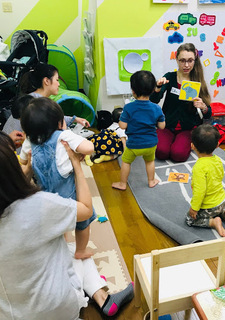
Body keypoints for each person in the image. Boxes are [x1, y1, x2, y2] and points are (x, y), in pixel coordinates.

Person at [0, 131, 134, 319]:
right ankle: (102, 297)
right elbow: (86, 210)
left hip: (11, 313)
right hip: (56, 308)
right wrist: (77, 165)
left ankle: (102, 297)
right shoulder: (39, 205)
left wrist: (28, 168)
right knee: (78, 252)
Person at [20, 97, 95, 260]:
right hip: (70, 195)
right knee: (83, 222)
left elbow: (24, 161)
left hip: (46, 196)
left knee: (56, 224)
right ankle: (80, 250)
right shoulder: (64, 136)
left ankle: (62, 246)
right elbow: (90, 148)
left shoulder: (29, 141)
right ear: (60, 123)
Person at [150, 43, 212, 162]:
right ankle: (169, 140)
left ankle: (180, 142)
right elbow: (154, 100)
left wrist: (203, 107)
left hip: (187, 128)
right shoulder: (170, 77)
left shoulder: (198, 81)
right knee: (161, 153)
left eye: (190, 60)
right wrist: (157, 87)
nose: (186, 65)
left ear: (195, 60)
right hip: (167, 125)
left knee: (178, 155)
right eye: (182, 60)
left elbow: (208, 114)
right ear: (177, 60)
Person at [112, 70, 165, 191]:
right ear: (152, 90)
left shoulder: (129, 107)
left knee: (126, 162)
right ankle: (151, 181)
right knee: (150, 161)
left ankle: (122, 183)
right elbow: (162, 126)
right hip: (151, 144)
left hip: (133, 145)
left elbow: (123, 126)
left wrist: (121, 120)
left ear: (133, 91)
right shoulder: (156, 107)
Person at [186, 124, 225, 236]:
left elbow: (200, 191)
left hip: (210, 206)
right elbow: (220, 176)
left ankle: (213, 222)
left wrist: (194, 208)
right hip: (222, 201)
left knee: (189, 219)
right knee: (218, 209)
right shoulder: (218, 160)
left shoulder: (199, 167)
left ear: (192, 146)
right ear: (217, 145)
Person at [19, 62, 90, 128]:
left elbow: (53, 117)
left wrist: (75, 119)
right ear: (46, 81)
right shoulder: (37, 104)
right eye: (57, 80)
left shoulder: (35, 98)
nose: (59, 84)